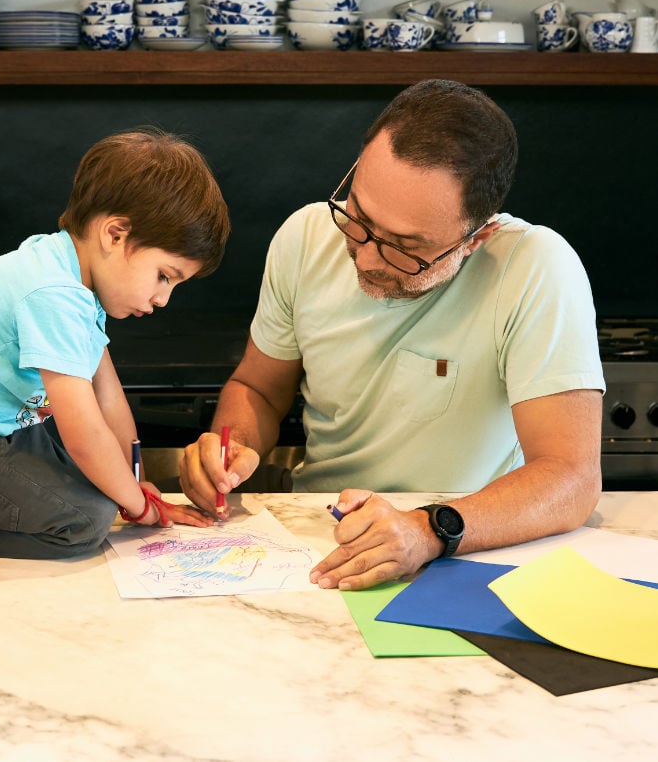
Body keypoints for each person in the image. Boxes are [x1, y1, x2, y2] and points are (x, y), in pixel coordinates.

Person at [180, 79, 605, 591]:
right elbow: (258, 389)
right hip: (319, 542)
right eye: (358, 218)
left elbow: (571, 478)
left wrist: (428, 528)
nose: (365, 256)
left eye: (405, 247)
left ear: (478, 237)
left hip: (468, 551)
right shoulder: (303, 237)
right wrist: (232, 448)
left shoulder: (534, 267)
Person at [0, 128, 230, 559]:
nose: (163, 298)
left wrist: (136, 478)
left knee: (106, 486)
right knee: (85, 522)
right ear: (115, 234)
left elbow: (107, 397)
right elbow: (86, 437)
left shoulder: (68, 272)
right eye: (165, 275)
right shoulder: (54, 293)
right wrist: (139, 506)